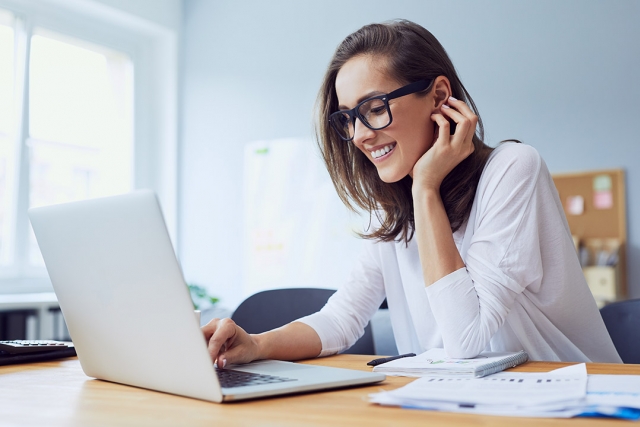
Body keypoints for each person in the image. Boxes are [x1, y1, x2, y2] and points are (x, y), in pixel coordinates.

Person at [202, 19, 621, 367]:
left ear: (439, 96)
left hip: (577, 406)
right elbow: (342, 318)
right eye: (349, 118)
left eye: (375, 107)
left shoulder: (513, 169)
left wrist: (426, 187)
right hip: (465, 406)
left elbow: (466, 340)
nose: (361, 135)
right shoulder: (395, 213)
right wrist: (256, 344)